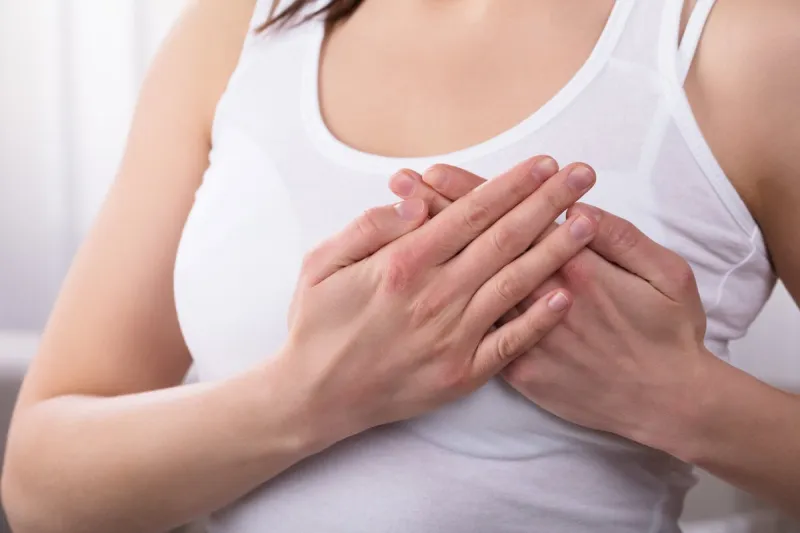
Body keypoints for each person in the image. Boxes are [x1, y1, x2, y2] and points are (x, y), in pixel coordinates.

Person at [2, 0, 799, 531]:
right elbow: (39, 483)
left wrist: (689, 403)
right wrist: (306, 397)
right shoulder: (242, 31)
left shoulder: (745, 45)